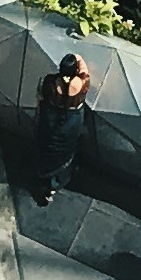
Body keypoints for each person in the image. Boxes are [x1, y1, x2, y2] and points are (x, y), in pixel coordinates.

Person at [33, 51, 93, 204]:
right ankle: (55, 182)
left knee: (49, 146)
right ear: (75, 71)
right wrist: (78, 57)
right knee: (65, 150)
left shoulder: (51, 82)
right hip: (71, 122)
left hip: (51, 119)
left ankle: (45, 179)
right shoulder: (82, 83)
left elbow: (41, 95)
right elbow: (84, 69)